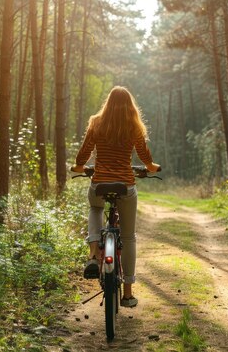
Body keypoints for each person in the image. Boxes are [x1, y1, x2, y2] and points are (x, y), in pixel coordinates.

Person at [72, 86, 160, 308]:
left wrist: (80, 167)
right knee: (128, 237)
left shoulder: (96, 122)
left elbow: (83, 155)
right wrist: (151, 167)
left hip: (100, 182)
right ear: (130, 105)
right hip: (125, 186)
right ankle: (128, 294)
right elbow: (144, 155)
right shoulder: (133, 126)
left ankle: (93, 256)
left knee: (96, 209)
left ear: (107, 103)